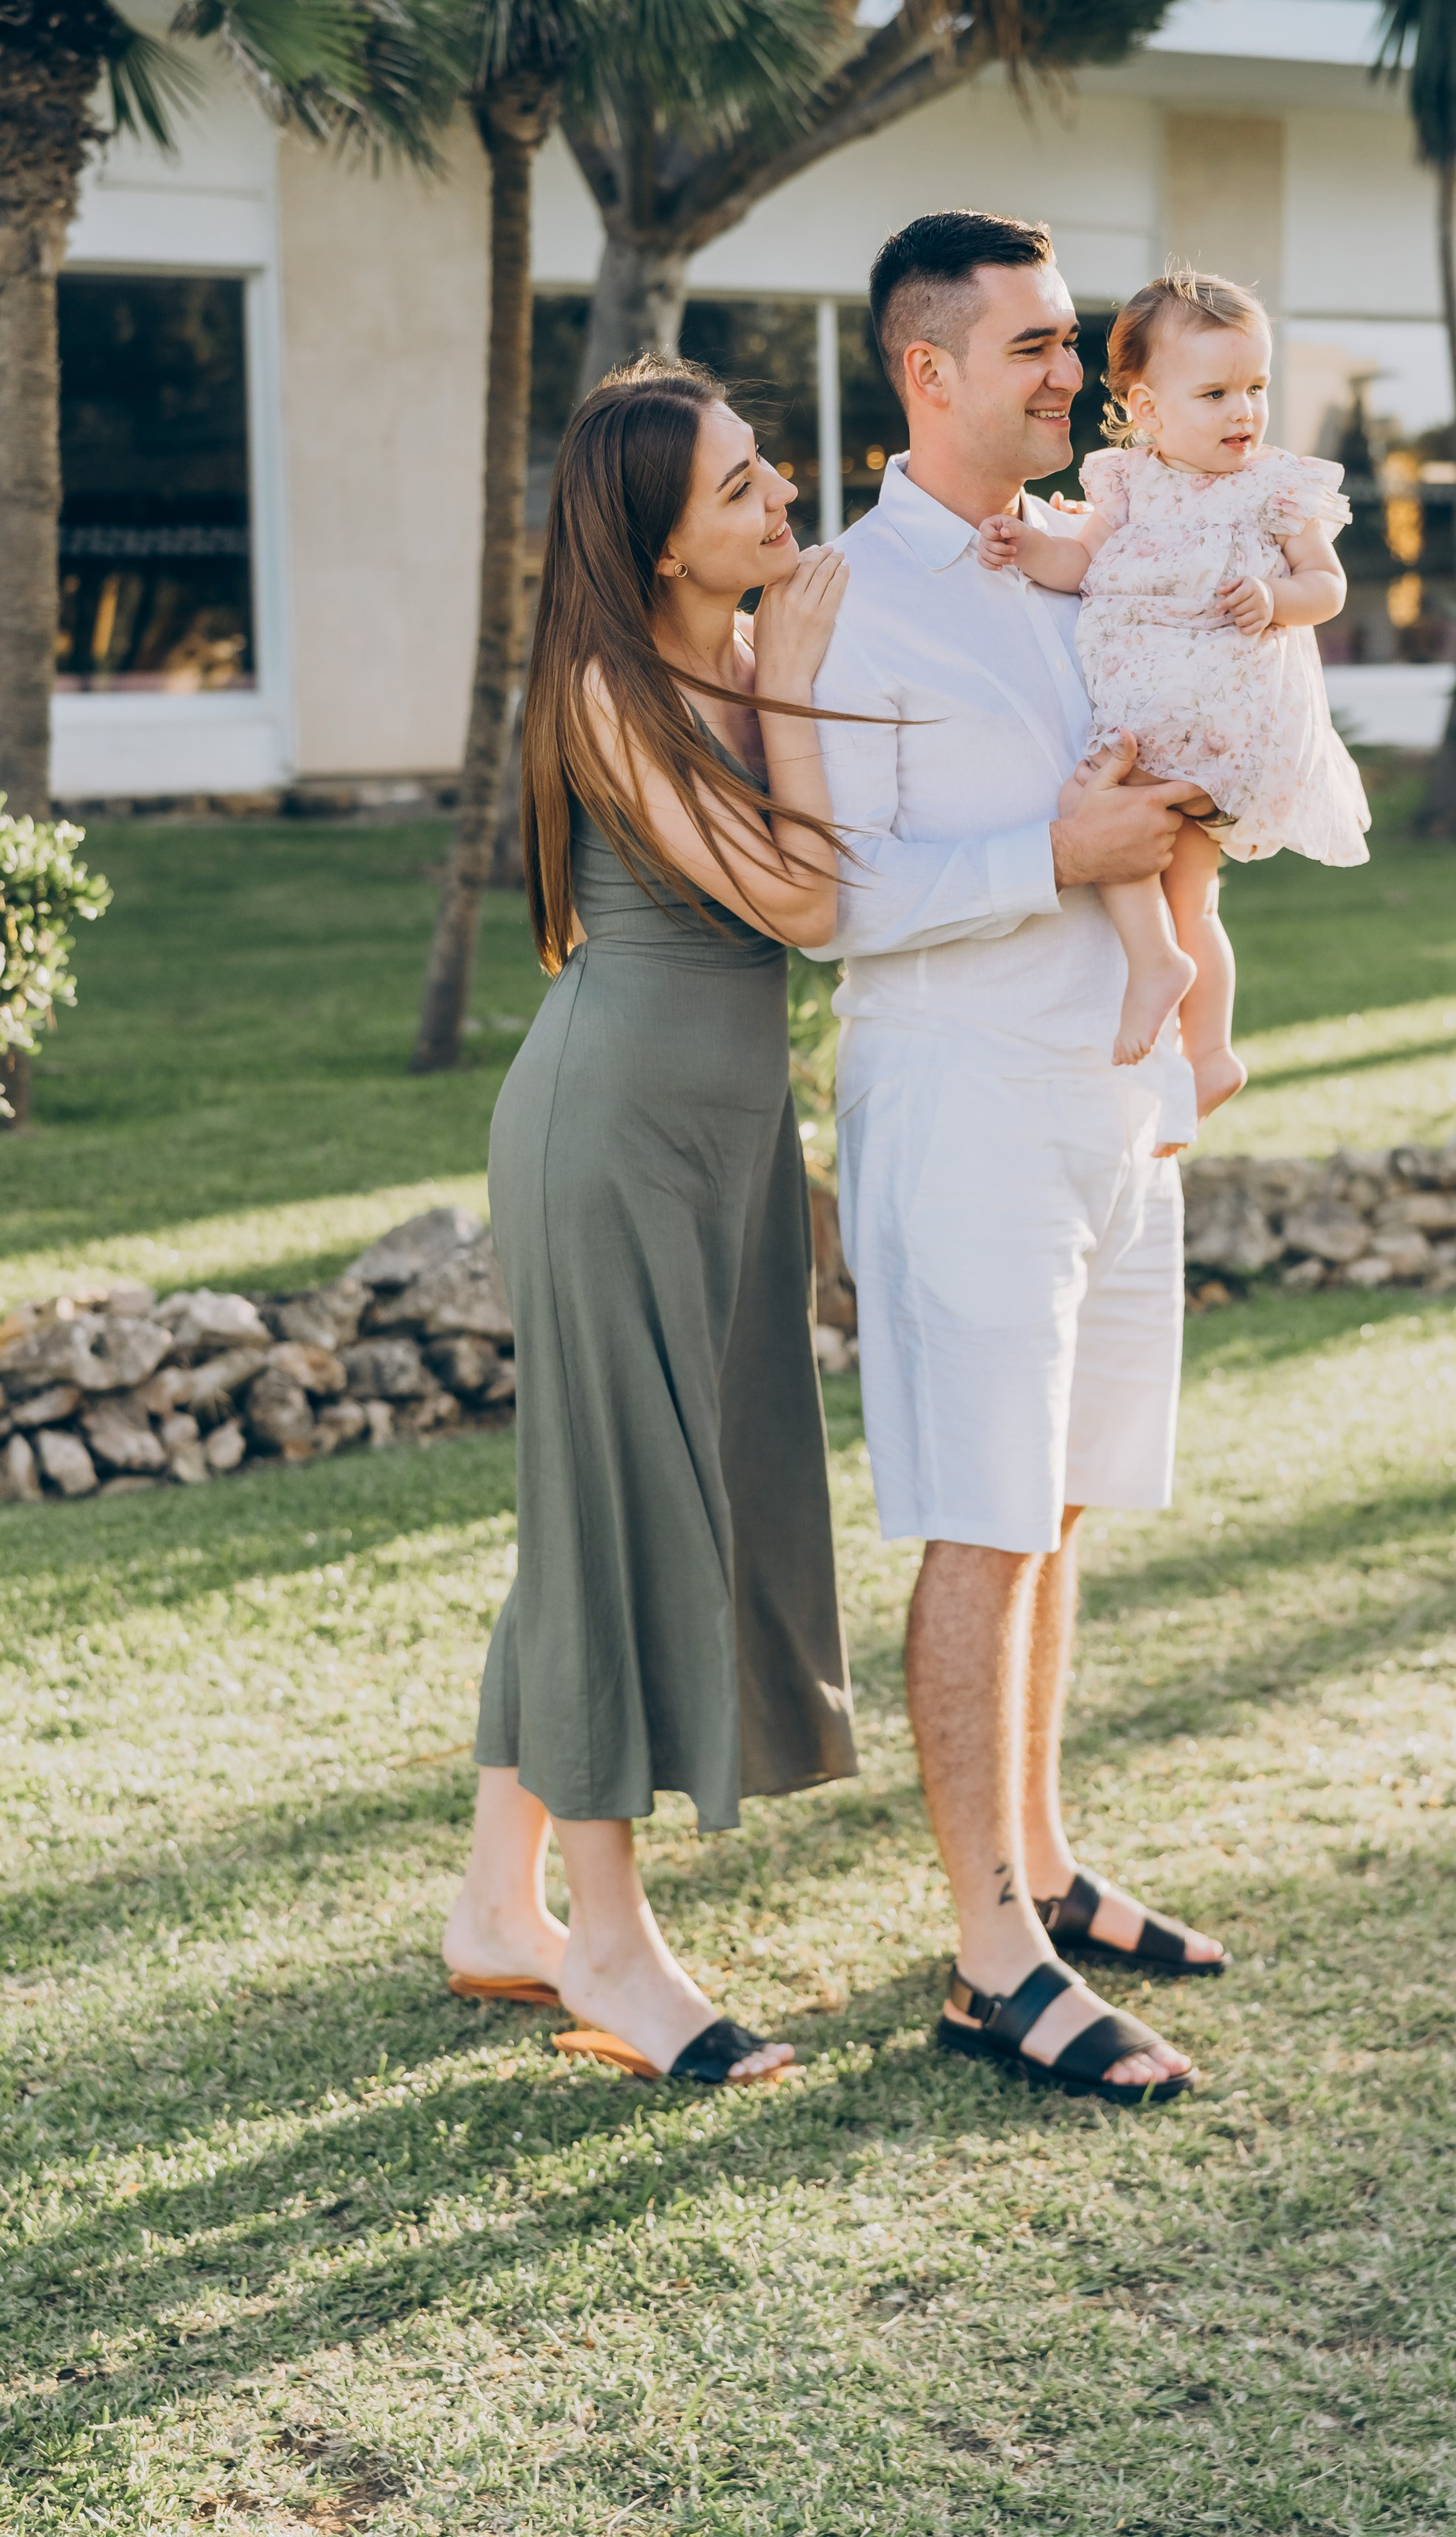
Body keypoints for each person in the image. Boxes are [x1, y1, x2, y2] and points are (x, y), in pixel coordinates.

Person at [808, 210, 1224, 2108]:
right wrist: (1051, 856)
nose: (1078, 371)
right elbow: (826, 897)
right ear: (929, 372)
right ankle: (990, 1961)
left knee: (1055, 1501)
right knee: (979, 1514)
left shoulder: (1102, 556)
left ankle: (1044, 1867)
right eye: (1039, 346)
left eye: (1074, 340)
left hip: (1111, 1100)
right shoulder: (838, 599)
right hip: (960, 1101)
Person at [441, 358, 857, 2089]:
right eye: (740, 489)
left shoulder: (743, 653)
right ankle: (608, 1945)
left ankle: (496, 1907)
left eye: (768, 468)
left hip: (723, 1136)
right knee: (611, 1511)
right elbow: (809, 899)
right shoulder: (615, 691)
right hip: (609, 1136)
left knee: (591, 1506)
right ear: (659, 544)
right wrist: (801, 687)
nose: (781, 499)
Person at [978, 269, 1370, 1111]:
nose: (1243, 411)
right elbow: (1078, 564)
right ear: (1148, 409)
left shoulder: (1275, 486)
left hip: (1219, 723)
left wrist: (1276, 600)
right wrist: (1025, 547)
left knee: (1094, 804)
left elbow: (1328, 587)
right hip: (1151, 726)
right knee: (1188, 888)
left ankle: (1157, 966)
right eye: (1216, 393)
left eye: (1256, 387)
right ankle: (1210, 1053)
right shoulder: (1128, 483)